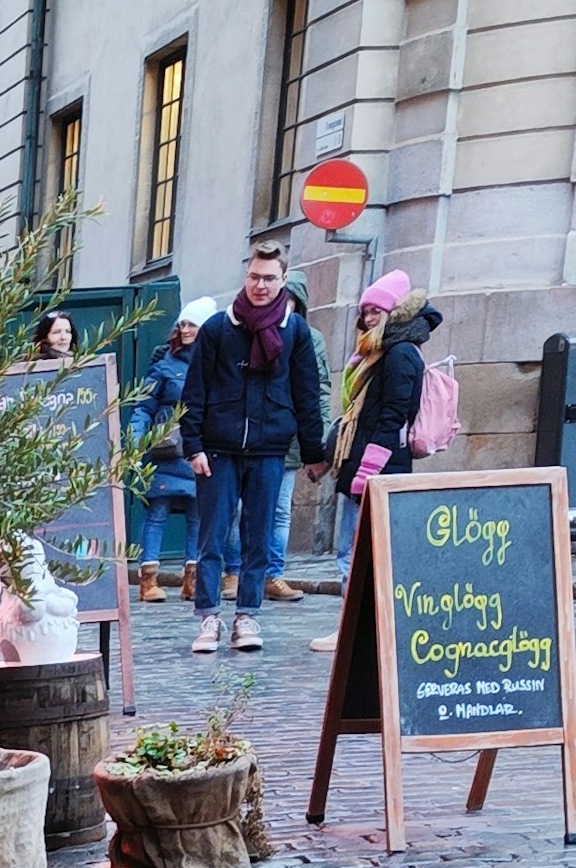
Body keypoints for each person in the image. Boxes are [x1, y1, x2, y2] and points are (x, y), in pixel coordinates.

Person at [178, 242, 328, 652]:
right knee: (213, 535)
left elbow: (307, 392)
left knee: (258, 535)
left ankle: (247, 616)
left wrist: (314, 452)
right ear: (246, 277)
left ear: (283, 281)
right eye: (254, 277)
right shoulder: (216, 329)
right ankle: (208, 617)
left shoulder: (294, 331)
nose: (260, 286)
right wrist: (193, 445)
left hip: (268, 445)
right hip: (219, 447)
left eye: (269, 278)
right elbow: (194, 392)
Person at [329, 268, 439, 566]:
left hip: (379, 465)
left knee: (355, 557)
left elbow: (394, 414)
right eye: (365, 312)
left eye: (376, 311)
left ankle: (359, 613)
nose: (368, 318)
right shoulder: (381, 351)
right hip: (370, 460)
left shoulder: (400, 353)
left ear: (393, 311)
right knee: (356, 554)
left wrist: (367, 471)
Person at [128, 313, 202, 599]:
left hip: (199, 448)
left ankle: (192, 581)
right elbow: (144, 406)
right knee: (157, 511)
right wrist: (136, 440)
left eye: (192, 324)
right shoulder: (164, 365)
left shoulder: (213, 363)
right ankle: (148, 581)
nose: (185, 329)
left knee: (198, 514)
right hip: (166, 449)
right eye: (182, 323)